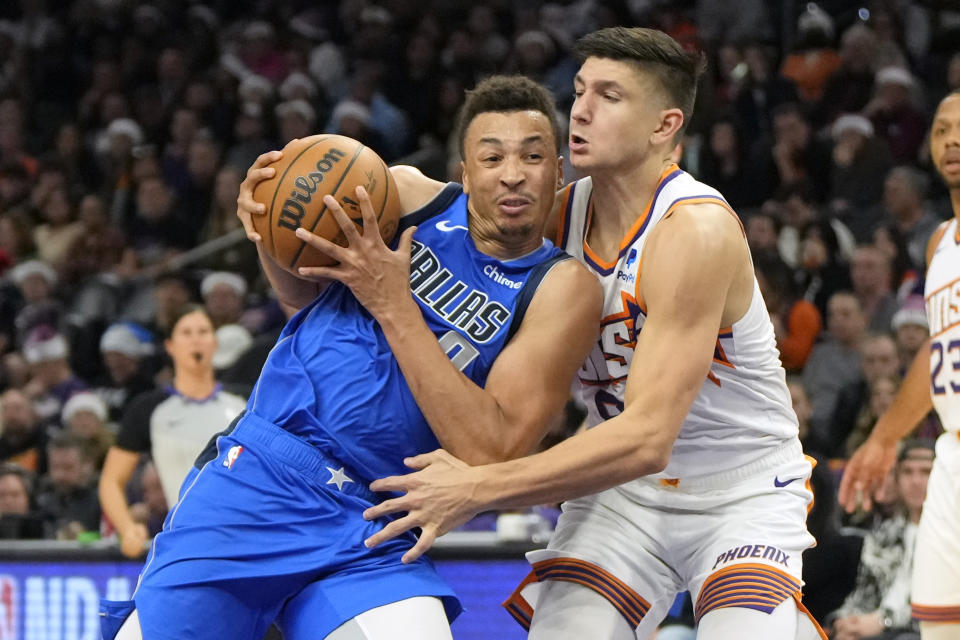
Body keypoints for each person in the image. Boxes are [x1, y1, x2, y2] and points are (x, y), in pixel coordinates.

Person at [99, 76, 601, 640]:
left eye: (533, 157)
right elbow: (299, 296)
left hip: (372, 523)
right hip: (261, 476)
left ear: (559, 173)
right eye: (493, 156)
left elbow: (490, 449)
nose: (513, 173)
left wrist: (394, 305)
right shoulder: (408, 196)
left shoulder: (561, 286)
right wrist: (269, 228)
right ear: (464, 171)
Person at [365, 27, 825, 640]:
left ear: (664, 126)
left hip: (737, 492)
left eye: (609, 96)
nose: (579, 109)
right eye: (580, 90)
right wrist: (321, 183)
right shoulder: (556, 214)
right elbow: (443, 198)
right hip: (623, 493)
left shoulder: (694, 231)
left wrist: (480, 486)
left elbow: (647, 437)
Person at [840, 90, 960, 640]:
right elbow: (936, 354)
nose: (951, 140)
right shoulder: (940, 242)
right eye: (940, 130)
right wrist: (886, 436)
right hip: (950, 456)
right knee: (936, 626)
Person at [98, 305, 246, 559]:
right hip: (184, 541)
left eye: (203, 331)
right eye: (186, 333)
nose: (196, 339)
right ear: (170, 346)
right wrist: (127, 527)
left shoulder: (245, 401)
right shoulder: (148, 408)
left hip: (246, 537)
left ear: (215, 342)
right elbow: (111, 481)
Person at [830, 442, 934, 640]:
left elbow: (943, 607)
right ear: (897, 479)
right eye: (907, 472)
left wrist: (884, 621)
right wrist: (843, 622)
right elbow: (863, 595)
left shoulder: (951, 536)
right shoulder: (883, 534)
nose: (916, 481)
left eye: (926, 472)